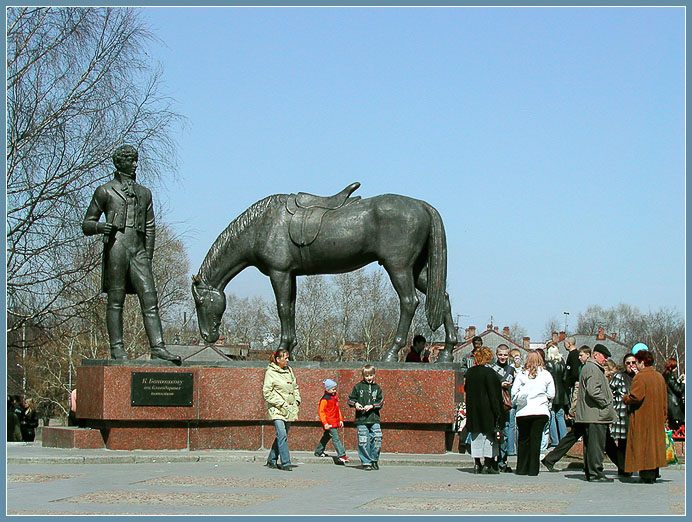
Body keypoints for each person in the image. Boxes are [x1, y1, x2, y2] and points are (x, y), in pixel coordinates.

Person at [82, 145, 180, 363]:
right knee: (115, 301)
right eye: (130, 160)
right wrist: (102, 227)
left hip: (138, 250)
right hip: (117, 247)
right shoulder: (105, 191)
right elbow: (87, 224)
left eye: (136, 160)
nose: (135, 164)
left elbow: (151, 226)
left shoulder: (144, 193)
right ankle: (117, 348)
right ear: (119, 163)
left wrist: (148, 255)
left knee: (150, 298)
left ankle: (158, 347)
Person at [622, 349, 668, 483]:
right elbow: (665, 400)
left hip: (642, 417)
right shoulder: (659, 376)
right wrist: (664, 416)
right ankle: (653, 473)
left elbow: (636, 397)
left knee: (643, 446)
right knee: (654, 446)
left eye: (636, 362)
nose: (635, 365)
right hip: (657, 417)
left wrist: (626, 398)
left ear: (642, 362)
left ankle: (645, 474)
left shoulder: (640, 377)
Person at [575, 343, 617, 482]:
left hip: (591, 414)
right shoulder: (593, 369)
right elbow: (593, 391)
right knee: (596, 446)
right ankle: (595, 473)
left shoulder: (590, 367)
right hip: (596, 414)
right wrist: (605, 402)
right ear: (596, 355)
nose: (605, 360)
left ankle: (590, 471)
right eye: (604, 357)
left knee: (591, 445)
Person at [511, 350, 555, 476]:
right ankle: (533, 469)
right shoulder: (546, 374)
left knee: (523, 439)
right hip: (540, 411)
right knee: (536, 439)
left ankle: (521, 468)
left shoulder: (521, 374)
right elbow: (552, 394)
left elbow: (514, 392)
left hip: (524, 411)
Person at [465, 346, 504, 474]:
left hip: (473, 409)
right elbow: (494, 395)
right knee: (488, 437)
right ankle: (487, 464)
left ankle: (477, 463)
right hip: (488, 410)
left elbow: (466, 390)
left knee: (476, 436)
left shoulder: (470, 372)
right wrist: (498, 412)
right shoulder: (490, 373)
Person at [263, 349, 301, 471]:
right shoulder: (270, 372)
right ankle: (286, 462)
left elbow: (295, 386)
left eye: (288, 357)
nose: (288, 360)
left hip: (290, 408)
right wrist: (281, 403)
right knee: (282, 434)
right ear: (278, 359)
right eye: (285, 358)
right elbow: (267, 392)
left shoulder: (289, 370)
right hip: (277, 409)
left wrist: (297, 400)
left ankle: (271, 459)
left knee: (282, 435)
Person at [347, 364, 384, 471]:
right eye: (367, 376)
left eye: (371, 375)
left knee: (377, 438)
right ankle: (366, 462)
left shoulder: (377, 388)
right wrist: (356, 404)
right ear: (363, 375)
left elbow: (380, 402)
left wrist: (372, 406)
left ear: (374, 375)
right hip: (361, 419)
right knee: (363, 441)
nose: (369, 378)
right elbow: (350, 399)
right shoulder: (358, 387)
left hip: (374, 418)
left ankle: (374, 459)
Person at [605, 353, 637, 476]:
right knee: (623, 443)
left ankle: (632, 466)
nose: (631, 365)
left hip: (636, 414)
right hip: (622, 414)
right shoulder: (619, 376)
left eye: (633, 362)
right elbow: (610, 391)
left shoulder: (639, 377)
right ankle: (623, 468)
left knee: (634, 443)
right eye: (628, 363)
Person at [489, 344, 515, 472]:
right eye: (500, 355)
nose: (502, 357)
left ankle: (502, 460)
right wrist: (499, 384)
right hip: (494, 405)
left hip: (506, 405)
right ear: (496, 354)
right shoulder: (491, 368)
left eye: (505, 355)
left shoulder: (511, 369)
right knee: (493, 431)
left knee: (504, 432)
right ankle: (492, 459)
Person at [314, 378, 349, 464]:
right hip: (329, 423)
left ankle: (318, 451)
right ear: (327, 389)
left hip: (334, 421)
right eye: (333, 389)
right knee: (335, 438)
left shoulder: (334, 397)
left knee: (326, 436)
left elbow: (337, 409)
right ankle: (342, 455)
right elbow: (321, 412)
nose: (334, 390)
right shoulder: (325, 399)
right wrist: (325, 423)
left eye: (335, 389)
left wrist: (340, 420)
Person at [546, 344, 569, 446]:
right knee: (560, 414)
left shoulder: (548, 365)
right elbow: (565, 378)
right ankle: (564, 437)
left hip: (553, 392)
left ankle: (555, 440)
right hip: (562, 392)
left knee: (552, 414)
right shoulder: (562, 363)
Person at [507, 348, 523, 456]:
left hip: (511, 397)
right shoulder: (523, 370)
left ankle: (510, 449)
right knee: (520, 425)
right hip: (521, 398)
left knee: (510, 425)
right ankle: (520, 449)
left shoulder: (509, 369)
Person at [662, 358, 685, 430]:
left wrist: (678, 381)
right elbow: (678, 390)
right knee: (676, 426)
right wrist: (684, 383)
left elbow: (672, 386)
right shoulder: (671, 376)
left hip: (668, 402)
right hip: (674, 404)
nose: (676, 369)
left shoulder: (665, 375)